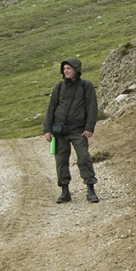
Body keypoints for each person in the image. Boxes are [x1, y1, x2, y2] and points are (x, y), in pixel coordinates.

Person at [43, 57, 100, 204]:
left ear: (76, 69)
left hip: (78, 131)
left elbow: (92, 108)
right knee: (61, 161)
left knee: (84, 158)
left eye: (68, 68)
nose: (65, 71)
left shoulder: (86, 86)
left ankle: (91, 190)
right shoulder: (59, 87)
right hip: (59, 131)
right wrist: (47, 129)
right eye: (64, 69)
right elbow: (51, 109)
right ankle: (64, 191)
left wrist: (89, 127)